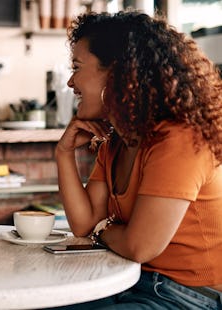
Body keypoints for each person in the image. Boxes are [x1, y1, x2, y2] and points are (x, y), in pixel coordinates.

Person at [55, 10, 222, 309]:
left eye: (77, 67)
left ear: (120, 72)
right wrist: (63, 154)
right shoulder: (118, 139)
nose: (70, 82)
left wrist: (101, 230)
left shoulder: (178, 139)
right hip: (130, 280)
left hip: (188, 296)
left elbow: (139, 245)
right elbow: (84, 225)